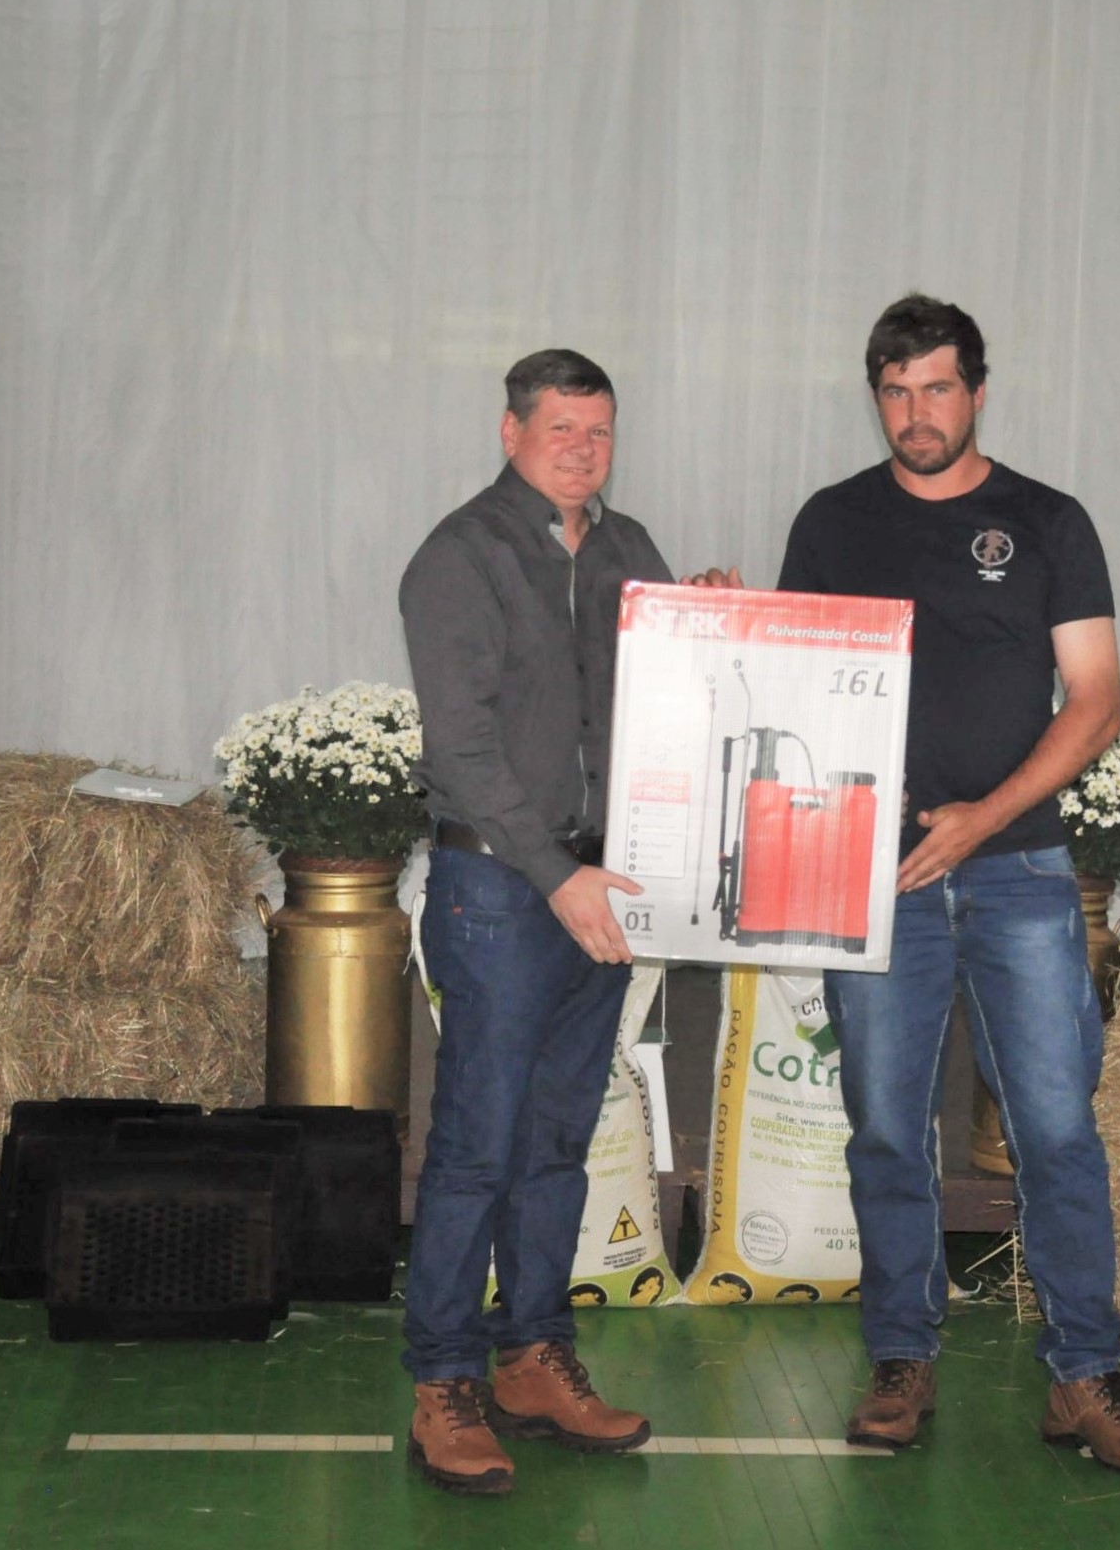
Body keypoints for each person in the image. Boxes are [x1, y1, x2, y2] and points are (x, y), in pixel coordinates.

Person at [774, 294, 1120, 1477]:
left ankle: (1083, 1372)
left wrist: (980, 822)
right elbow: (785, 683)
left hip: (1020, 874)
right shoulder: (831, 522)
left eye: (937, 388)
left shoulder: (1046, 522)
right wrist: (720, 617)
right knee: (885, 1129)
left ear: (977, 392)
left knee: (1055, 1129)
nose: (917, 413)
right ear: (876, 397)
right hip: (875, 875)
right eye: (895, 392)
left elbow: (1095, 705)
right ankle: (900, 1358)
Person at [394, 348, 671, 1495]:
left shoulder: (628, 549)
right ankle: (443, 1380)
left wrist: (707, 621)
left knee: (558, 1138)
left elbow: (668, 697)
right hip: (505, 888)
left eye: (597, 431)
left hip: (595, 885)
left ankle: (533, 1357)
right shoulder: (458, 556)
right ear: (510, 432)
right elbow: (460, 747)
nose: (581, 450)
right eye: (560, 429)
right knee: (476, 1144)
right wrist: (558, 873)